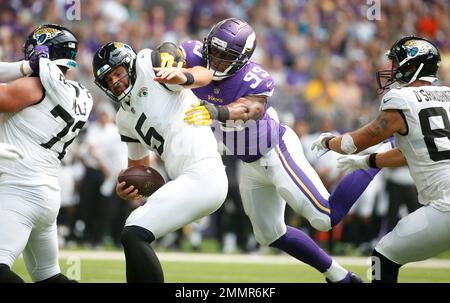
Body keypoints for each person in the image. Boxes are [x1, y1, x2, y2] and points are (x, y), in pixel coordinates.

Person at [156, 18, 392, 282]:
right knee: (270, 234)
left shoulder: (254, 77)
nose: (218, 60)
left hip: (275, 150)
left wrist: (216, 111)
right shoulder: (194, 52)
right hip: (248, 162)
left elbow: (251, 110)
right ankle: (339, 276)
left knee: (325, 217)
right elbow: (170, 51)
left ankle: (378, 156)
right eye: (215, 51)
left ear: (243, 58)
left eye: (227, 56)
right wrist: (165, 52)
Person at [312, 36, 450, 283]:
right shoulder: (447, 96)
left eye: (398, 64)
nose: (393, 70)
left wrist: (327, 141)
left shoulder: (401, 99)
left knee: (382, 256)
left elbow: (352, 143)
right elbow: (412, 153)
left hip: (446, 204)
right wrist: (367, 162)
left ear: (413, 66)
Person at [92, 41, 228, 283]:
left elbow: (205, 74)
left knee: (134, 232)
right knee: (133, 227)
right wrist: (127, 188)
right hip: (187, 180)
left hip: (205, 173)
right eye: (107, 79)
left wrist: (183, 75)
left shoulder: (147, 64)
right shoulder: (123, 117)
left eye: (118, 72)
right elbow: (138, 169)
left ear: (130, 66)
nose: (114, 81)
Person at [0, 24, 93, 283]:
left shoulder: (35, 87)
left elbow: (3, 97)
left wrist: (24, 69)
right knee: (48, 276)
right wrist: (25, 67)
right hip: (47, 192)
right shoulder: (80, 94)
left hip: (19, 188)